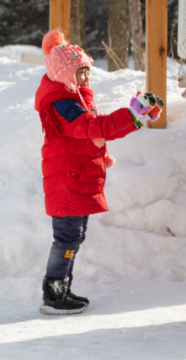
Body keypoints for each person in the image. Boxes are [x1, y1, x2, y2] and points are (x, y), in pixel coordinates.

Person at [34, 28, 160, 315]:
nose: (87, 77)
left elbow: (97, 129)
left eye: (87, 71)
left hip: (75, 179)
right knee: (67, 238)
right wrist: (133, 114)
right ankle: (54, 292)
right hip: (67, 181)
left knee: (73, 238)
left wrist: (136, 116)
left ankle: (61, 288)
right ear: (65, 74)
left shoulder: (73, 98)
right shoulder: (63, 104)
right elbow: (95, 127)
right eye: (81, 72)